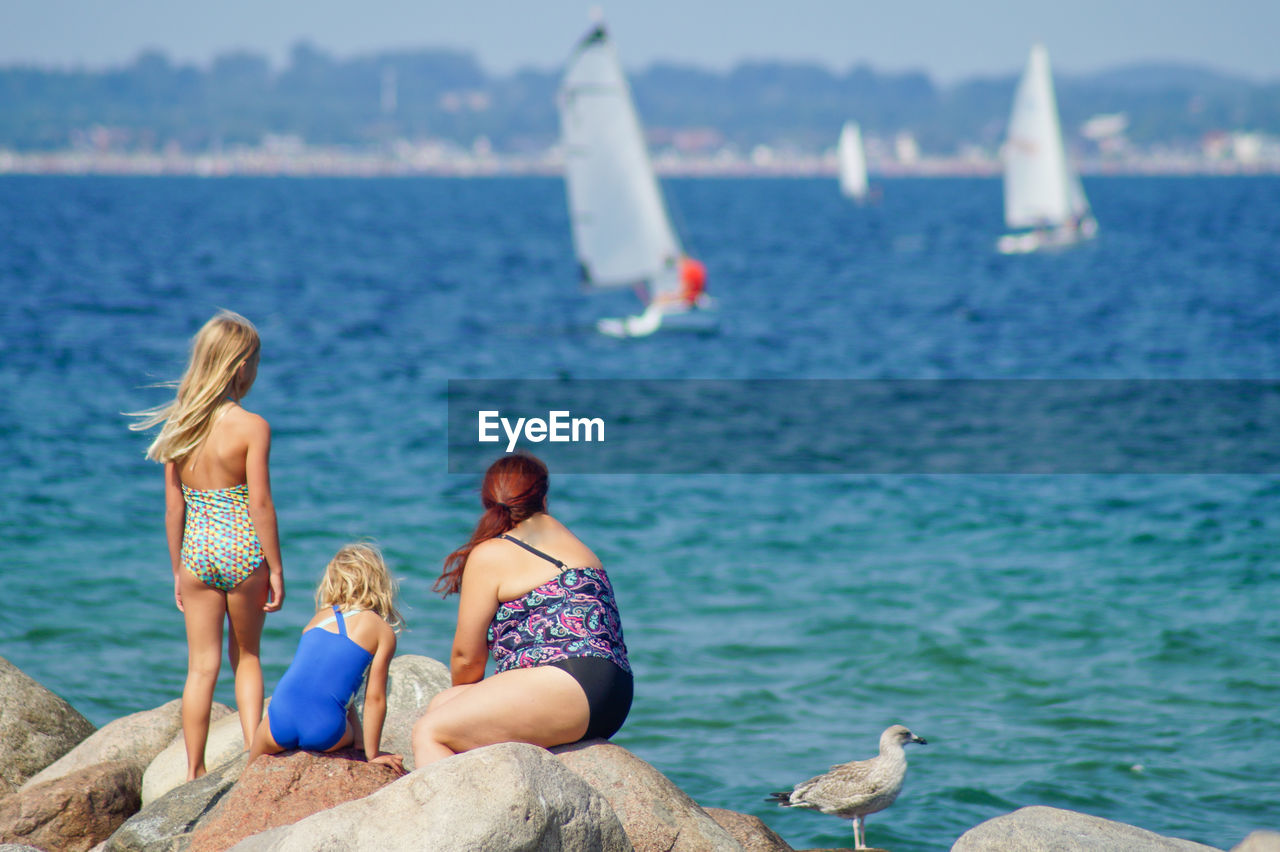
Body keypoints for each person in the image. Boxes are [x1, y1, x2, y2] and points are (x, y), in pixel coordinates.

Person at [129, 310, 285, 781]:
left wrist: (177, 568)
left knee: (201, 668)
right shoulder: (252, 426)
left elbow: (173, 508)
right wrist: (275, 568)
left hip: (197, 553)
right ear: (240, 366)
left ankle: (194, 771)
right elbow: (259, 503)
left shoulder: (181, 425)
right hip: (242, 551)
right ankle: (253, 761)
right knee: (248, 658)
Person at [411, 453, 632, 766]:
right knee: (442, 705)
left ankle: (457, 815)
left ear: (488, 501)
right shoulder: (571, 540)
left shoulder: (493, 552)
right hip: (612, 693)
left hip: (567, 683)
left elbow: (466, 658)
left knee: (430, 732)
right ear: (542, 496)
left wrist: (472, 703)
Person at [248, 543, 404, 772]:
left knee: (251, 768)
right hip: (324, 730)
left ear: (332, 582)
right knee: (340, 702)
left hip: (278, 721)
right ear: (379, 583)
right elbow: (375, 698)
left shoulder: (317, 620)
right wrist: (373, 754)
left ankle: (245, 780)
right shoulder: (382, 631)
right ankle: (361, 745)